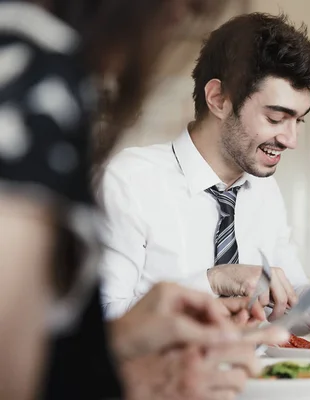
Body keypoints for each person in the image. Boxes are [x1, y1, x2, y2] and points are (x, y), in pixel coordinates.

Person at [0, 1, 286, 400]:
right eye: (186, 4)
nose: (179, 19)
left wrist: (129, 373)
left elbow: (53, 351)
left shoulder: (268, 195)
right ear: (218, 99)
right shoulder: (32, 69)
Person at [98, 12, 310, 323]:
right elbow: (102, 321)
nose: (291, 140)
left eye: (299, 120)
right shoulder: (128, 180)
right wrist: (213, 281)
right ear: (218, 99)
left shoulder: (264, 190)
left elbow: (287, 310)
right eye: (275, 118)